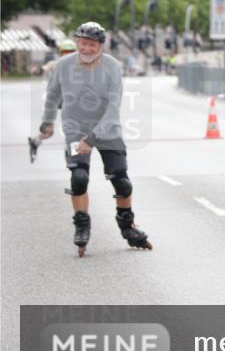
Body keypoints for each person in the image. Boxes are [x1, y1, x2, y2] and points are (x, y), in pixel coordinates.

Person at [38, 21, 154, 257]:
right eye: (83, 43)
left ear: (101, 45)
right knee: (79, 177)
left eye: (92, 44)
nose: (86, 49)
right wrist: (47, 122)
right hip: (75, 128)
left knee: (121, 180)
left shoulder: (113, 67)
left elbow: (113, 108)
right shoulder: (63, 65)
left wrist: (91, 139)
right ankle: (82, 226)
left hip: (107, 130)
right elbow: (52, 94)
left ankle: (128, 227)